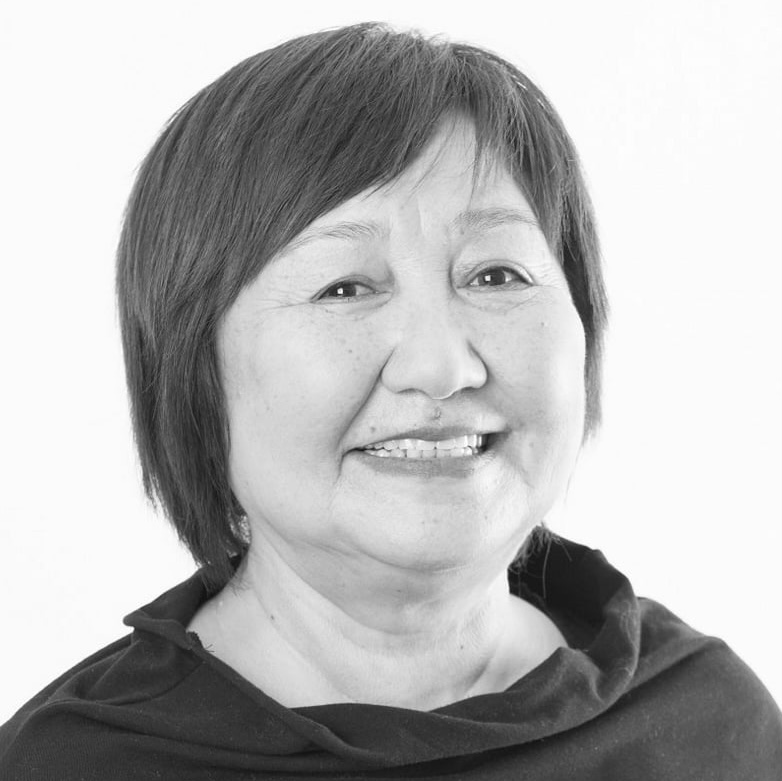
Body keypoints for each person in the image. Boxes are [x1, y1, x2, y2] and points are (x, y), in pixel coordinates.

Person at [1, 22, 779, 780]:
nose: (442, 367)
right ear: (192, 372)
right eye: (345, 287)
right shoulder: (70, 764)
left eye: (496, 275)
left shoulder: (711, 727)